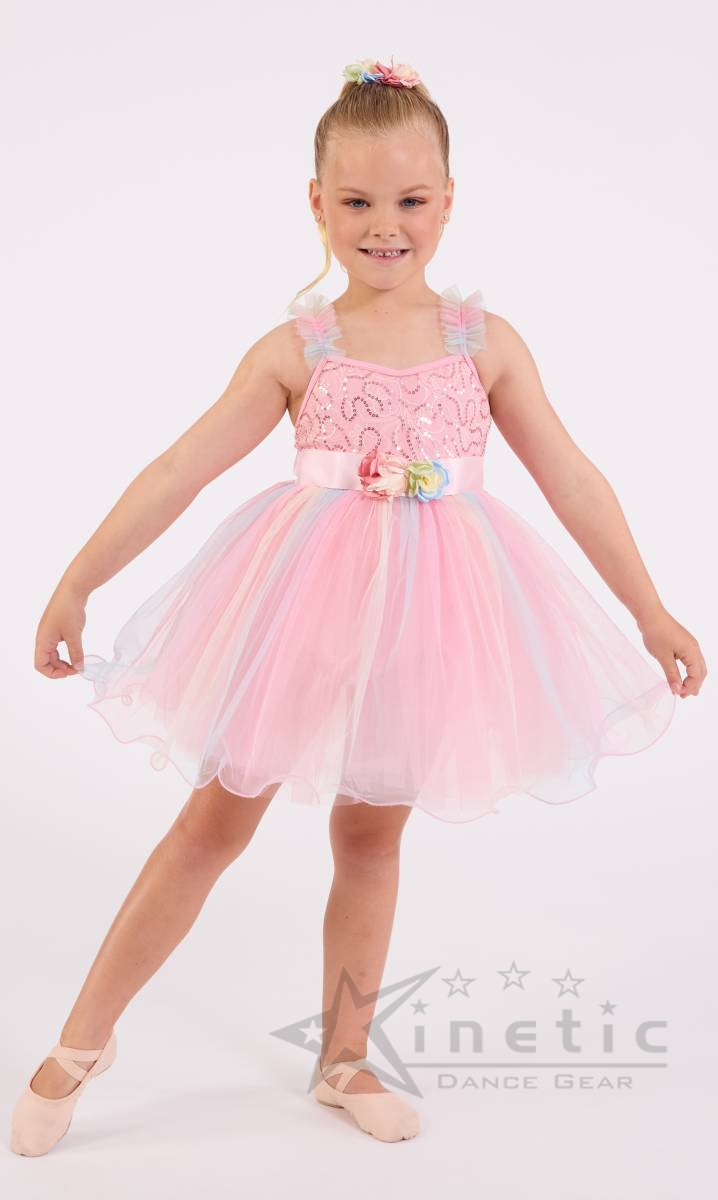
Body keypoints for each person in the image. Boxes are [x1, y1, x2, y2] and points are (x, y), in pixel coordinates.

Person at [10, 54, 707, 1155]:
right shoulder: (301, 349)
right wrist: (76, 579)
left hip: (435, 612)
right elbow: (179, 468)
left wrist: (649, 609)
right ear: (317, 203)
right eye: (357, 203)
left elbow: (573, 478)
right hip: (305, 605)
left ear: (449, 201)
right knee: (213, 821)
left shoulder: (484, 344)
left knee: (372, 832)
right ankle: (79, 1044)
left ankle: (344, 1058)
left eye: (411, 201)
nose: (386, 226)